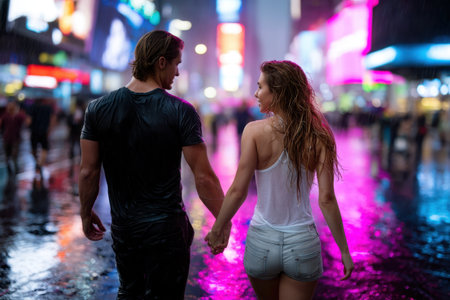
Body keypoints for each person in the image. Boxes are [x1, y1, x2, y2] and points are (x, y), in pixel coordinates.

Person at [79, 30, 229, 299]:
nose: (178, 73)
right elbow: (204, 177)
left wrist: (85, 211)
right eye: (176, 64)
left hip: (125, 228)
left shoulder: (97, 109)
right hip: (167, 229)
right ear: (161, 62)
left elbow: (88, 170)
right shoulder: (181, 111)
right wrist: (223, 221)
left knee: (129, 291)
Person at [206, 60, 354, 300]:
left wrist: (218, 228)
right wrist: (345, 252)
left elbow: (237, 191)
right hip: (302, 243)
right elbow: (326, 199)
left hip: (262, 243)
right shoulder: (320, 135)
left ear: (279, 92)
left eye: (261, 87)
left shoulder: (253, 131)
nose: (256, 93)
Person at [0, 99, 28, 174]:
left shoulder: (19, 115)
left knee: (14, 155)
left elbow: (26, 121)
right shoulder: (5, 115)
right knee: (7, 155)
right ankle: (9, 168)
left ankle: (15, 169)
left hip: (16, 138)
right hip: (7, 138)